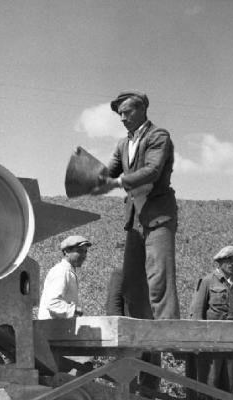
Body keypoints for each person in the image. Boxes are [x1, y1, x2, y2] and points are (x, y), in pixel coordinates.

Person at [91, 90, 180, 321]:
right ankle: (143, 337)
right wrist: (89, 176)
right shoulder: (123, 144)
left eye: (126, 112)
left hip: (158, 215)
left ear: (141, 110)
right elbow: (107, 172)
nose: (122, 118)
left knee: (159, 278)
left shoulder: (158, 136)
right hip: (135, 219)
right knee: (132, 283)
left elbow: (152, 170)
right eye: (119, 114)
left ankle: (167, 331)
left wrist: (118, 181)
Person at [188, 245, 233, 400]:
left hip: (231, 345)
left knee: (230, 384)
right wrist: (197, 342)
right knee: (209, 383)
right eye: (229, 261)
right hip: (211, 345)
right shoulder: (208, 281)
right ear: (220, 263)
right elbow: (197, 313)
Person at [38, 235, 91, 319]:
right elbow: (53, 303)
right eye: (80, 251)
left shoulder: (68, 272)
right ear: (66, 252)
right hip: (51, 328)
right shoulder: (61, 272)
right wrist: (74, 310)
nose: (84, 255)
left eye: (85, 251)